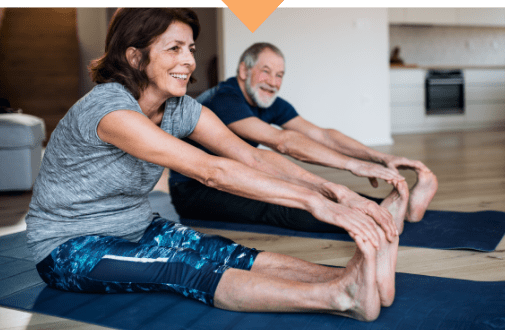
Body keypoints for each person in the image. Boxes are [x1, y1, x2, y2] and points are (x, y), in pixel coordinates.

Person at [25, 8, 399, 321]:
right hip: (69, 246)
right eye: (173, 49)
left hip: (138, 226)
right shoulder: (109, 110)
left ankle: (351, 277)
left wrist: (334, 190)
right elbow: (211, 171)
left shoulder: (181, 108)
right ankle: (338, 298)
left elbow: (251, 156)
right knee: (184, 268)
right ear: (135, 56)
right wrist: (315, 203)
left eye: (190, 48)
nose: (188, 61)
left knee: (228, 252)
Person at [169, 42, 438, 234]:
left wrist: (380, 157)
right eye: (266, 71)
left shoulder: (267, 100)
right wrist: (351, 165)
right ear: (243, 71)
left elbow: (320, 135)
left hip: (237, 172)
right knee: (281, 202)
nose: (273, 82)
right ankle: (380, 217)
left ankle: (384, 209)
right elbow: (282, 142)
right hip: (195, 190)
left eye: (280, 75)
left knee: (306, 188)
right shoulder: (225, 98)